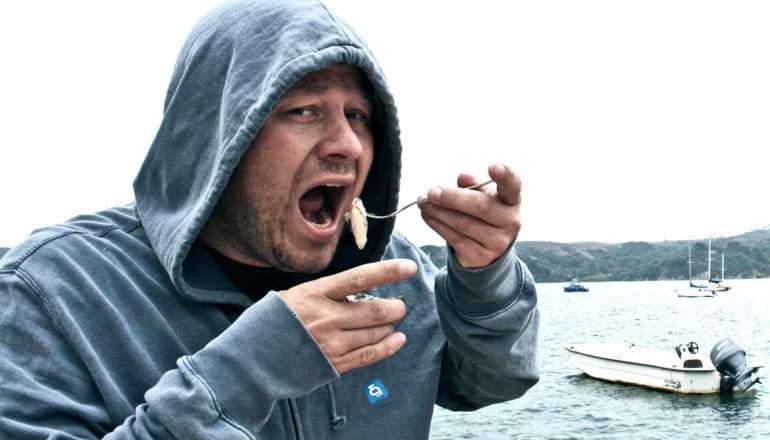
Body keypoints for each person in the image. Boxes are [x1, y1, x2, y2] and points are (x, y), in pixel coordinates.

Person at [0, 0, 539, 438]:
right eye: (303, 111)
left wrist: (484, 277)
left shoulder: (394, 273)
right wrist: (241, 375)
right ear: (217, 136)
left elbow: (490, 383)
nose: (348, 145)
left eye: (358, 116)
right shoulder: (53, 292)